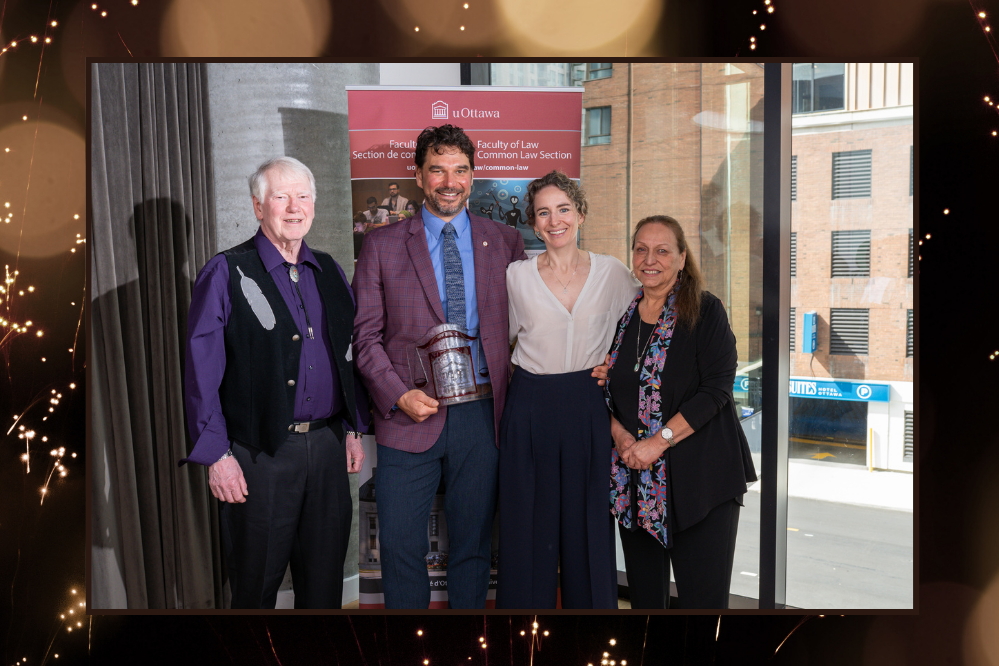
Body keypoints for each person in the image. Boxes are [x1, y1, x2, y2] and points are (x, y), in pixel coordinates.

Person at [179, 156, 369, 609]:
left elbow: (348, 355)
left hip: (325, 450)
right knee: (255, 589)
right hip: (257, 455)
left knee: (323, 589)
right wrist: (217, 456)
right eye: (280, 196)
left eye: (303, 196)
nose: (293, 207)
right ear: (257, 206)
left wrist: (352, 427)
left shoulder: (329, 271)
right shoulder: (227, 271)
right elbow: (200, 372)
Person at [352, 125, 526, 609]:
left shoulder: (506, 241)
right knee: (400, 545)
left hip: (483, 415)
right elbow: (364, 338)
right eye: (438, 170)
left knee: (472, 547)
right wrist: (397, 394)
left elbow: (530, 326)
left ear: (472, 176)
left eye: (461, 170)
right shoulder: (381, 246)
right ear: (418, 176)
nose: (450, 181)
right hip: (410, 414)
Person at [497, 171, 640, 609]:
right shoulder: (514, 277)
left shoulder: (613, 272)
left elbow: (640, 330)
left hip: (586, 405)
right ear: (533, 222)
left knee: (589, 527)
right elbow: (497, 341)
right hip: (529, 404)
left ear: (580, 214)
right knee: (527, 530)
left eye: (563, 209)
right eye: (543, 212)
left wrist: (614, 367)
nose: (554, 220)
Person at [602, 215, 757, 609]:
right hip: (635, 483)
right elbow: (608, 391)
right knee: (646, 604)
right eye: (641, 249)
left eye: (662, 250)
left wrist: (657, 443)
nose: (649, 259)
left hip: (702, 483)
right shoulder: (623, 318)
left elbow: (717, 389)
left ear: (682, 258)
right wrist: (622, 439)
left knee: (701, 605)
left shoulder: (706, 311)